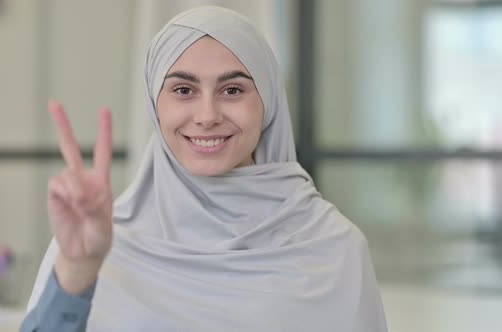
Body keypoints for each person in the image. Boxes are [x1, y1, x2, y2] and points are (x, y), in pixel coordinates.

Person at [20, 6, 387, 332]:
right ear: (155, 105)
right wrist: (76, 273)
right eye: (183, 90)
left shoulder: (334, 249)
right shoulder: (95, 244)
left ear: (268, 102)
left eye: (232, 90)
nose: (207, 116)